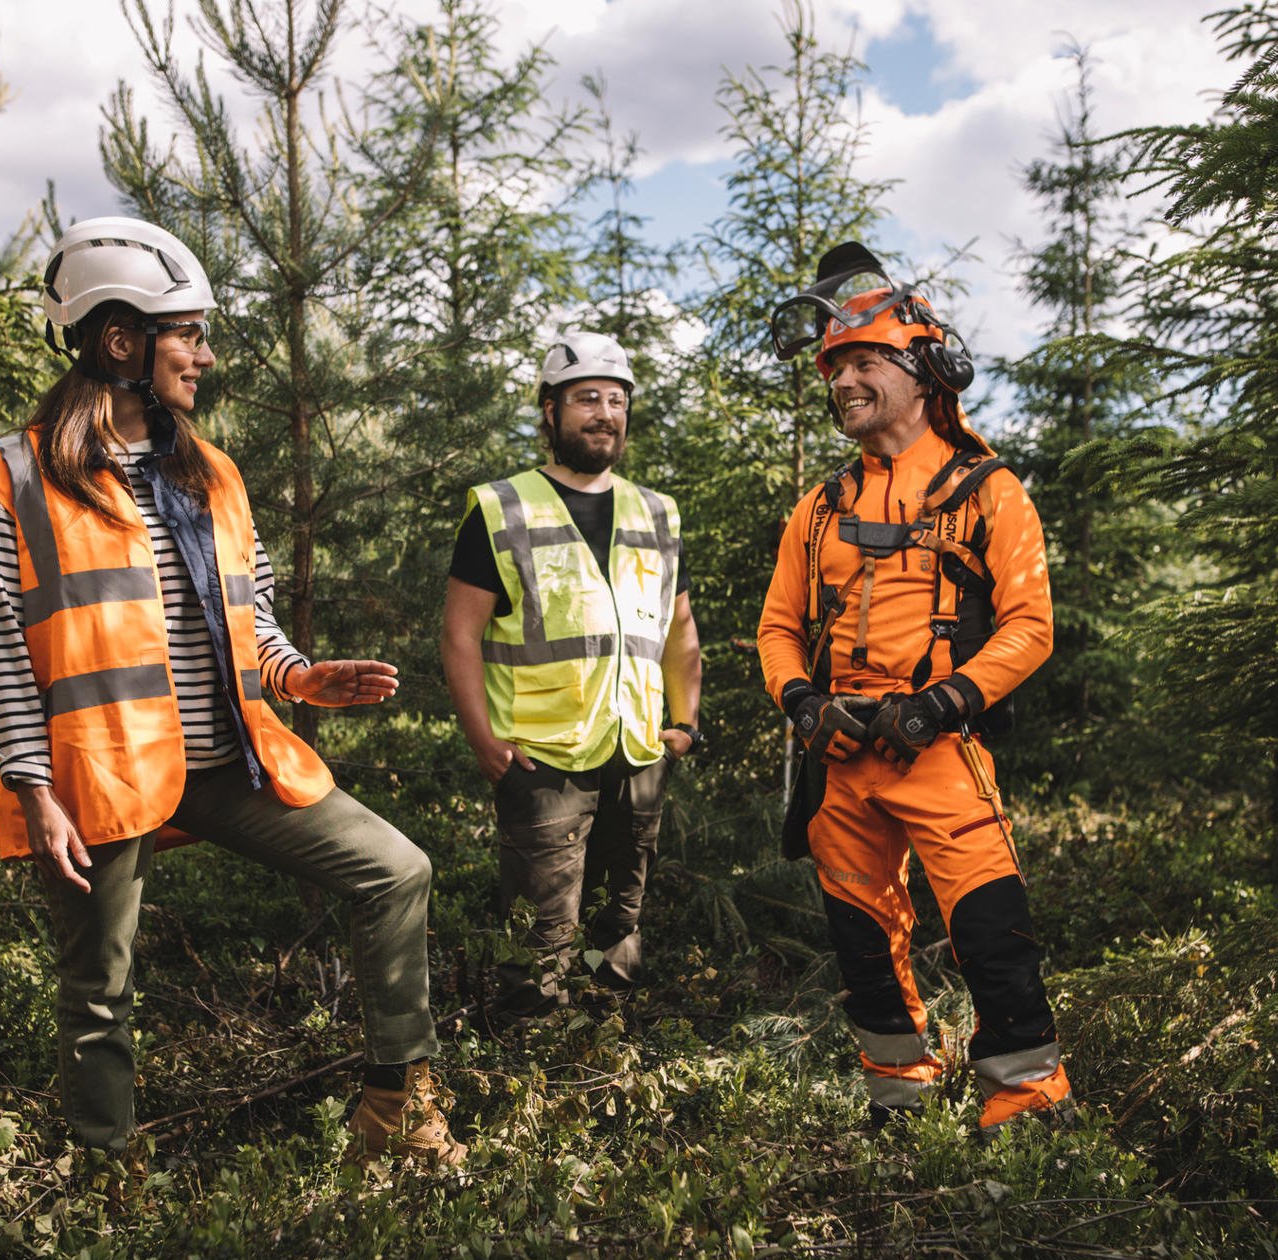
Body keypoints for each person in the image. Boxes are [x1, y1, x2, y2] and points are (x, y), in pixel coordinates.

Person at [0, 215, 462, 1167]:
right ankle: (108, 1184)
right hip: (97, 778)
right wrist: (33, 788)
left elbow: (249, 616)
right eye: (186, 331)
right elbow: (1, 650)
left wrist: (301, 675)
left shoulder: (211, 472)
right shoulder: (17, 476)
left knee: (398, 870)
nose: (204, 352)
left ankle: (399, 1111)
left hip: (224, 759)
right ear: (120, 340)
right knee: (98, 990)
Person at [757, 244, 1074, 1134]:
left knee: (990, 930)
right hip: (843, 758)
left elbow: (1031, 627)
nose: (844, 382)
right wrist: (802, 703)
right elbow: (778, 627)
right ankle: (898, 1101)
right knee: (863, 942)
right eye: (835, 369)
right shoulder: (820, 506)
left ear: (923, 370)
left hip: (937, 744)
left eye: (863, 363)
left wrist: (944, 703)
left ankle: (1027, 1104)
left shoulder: (988, 490)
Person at [440, 331, 702, 1019]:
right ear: (550, 411)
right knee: (541, 930)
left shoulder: (658, 512)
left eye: (617, 401)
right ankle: (531, 1062)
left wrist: (683, 725)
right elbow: (460, 635)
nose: (605, 413)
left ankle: (600, 1046)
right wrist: (484, 743)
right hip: (541, 756)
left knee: (619, 921)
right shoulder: (503, 507)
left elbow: (679, 631)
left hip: (639, 751)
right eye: (587, 398)